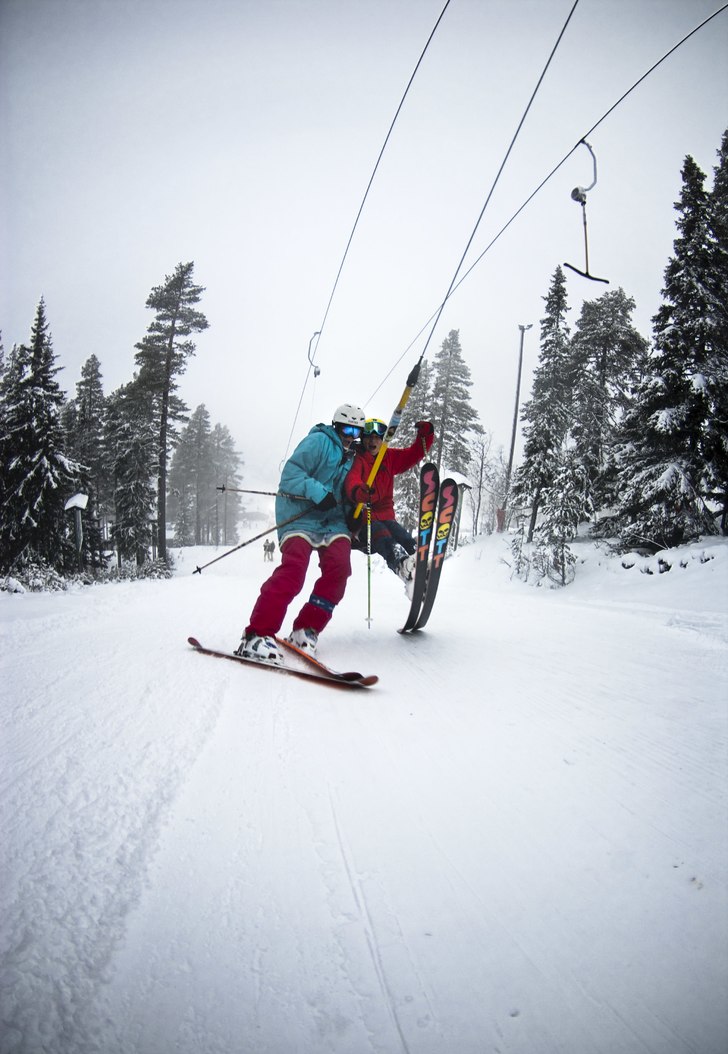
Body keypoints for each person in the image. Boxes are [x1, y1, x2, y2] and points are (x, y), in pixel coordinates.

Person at [236, 403, 366, 665]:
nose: (350, 436)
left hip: (332, 521)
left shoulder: (354, 458)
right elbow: (291, 475)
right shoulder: (319, 442)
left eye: (356, 431)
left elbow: (348, 494)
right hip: (300, 515)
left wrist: (354, 516)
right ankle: (256, 635)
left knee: (339, 569)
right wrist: (318, 493)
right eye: (346, 428)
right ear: (336, 426)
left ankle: (305, 630)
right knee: (294, 572)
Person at [345, 417, 435, 594]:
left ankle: (420, 563)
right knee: (385, 537)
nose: (373, 441)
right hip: (365, 519)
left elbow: (414, 454)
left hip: (386, 516)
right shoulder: (358, 459)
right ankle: (402, 565)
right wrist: (358, 491)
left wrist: (425, 437)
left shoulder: (389, 457)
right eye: (369, 437)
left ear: (383, 439)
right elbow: (352, 479)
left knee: (403, 537)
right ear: (363, 439)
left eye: (378, 437)